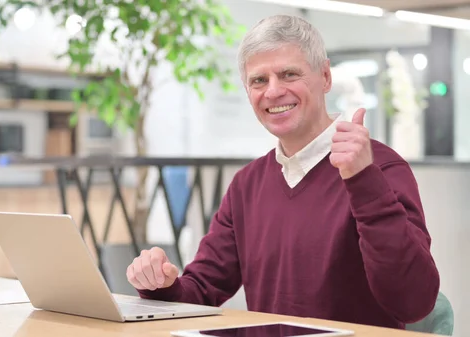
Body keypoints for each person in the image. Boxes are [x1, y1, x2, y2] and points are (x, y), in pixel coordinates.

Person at [125, 14, 440, 330]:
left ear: (325, 77)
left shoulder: (380, 169)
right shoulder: (247, 185)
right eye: (259, 80)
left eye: (289, 74)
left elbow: (413, 302)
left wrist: (362, 180)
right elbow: (202, 289)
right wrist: (161, 284)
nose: (273, 92)